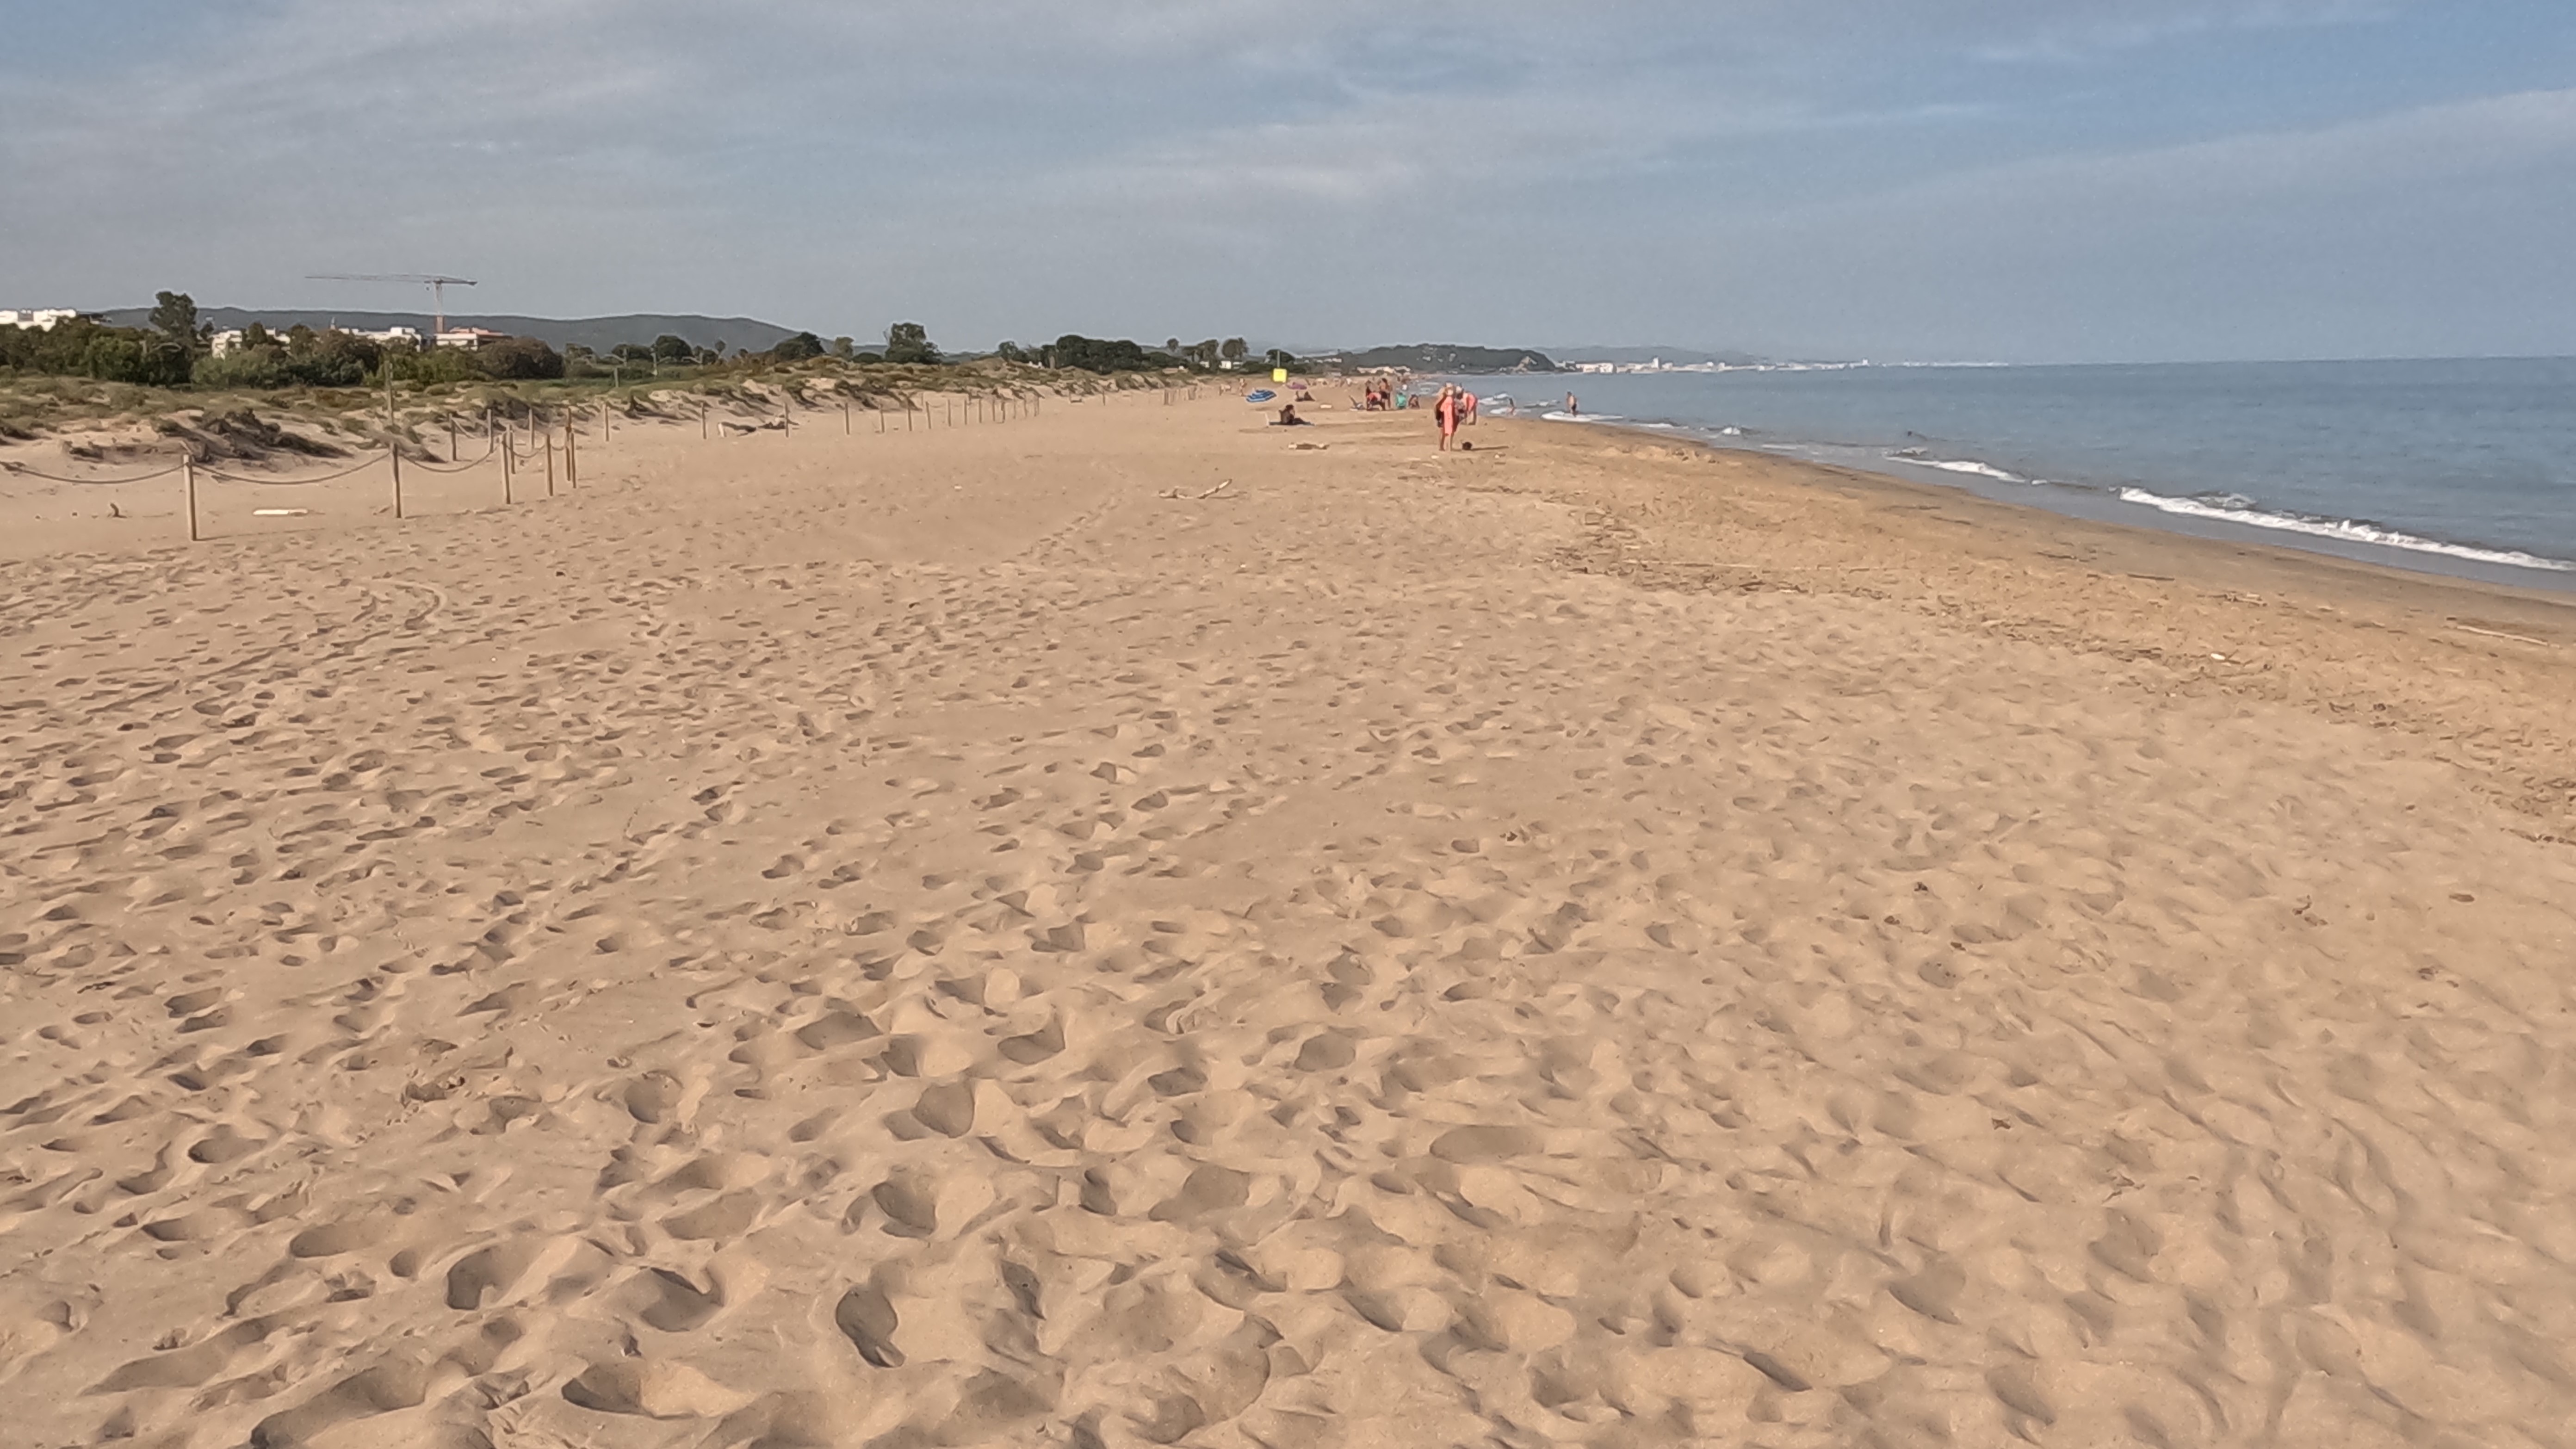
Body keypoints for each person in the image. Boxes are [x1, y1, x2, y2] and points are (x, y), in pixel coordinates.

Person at [1435, 384, 1462, 451]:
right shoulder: (1445, 397)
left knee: (1444, 432)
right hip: (1444, 415)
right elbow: (1436, 405)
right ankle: (1445, 447)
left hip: (1442, 414)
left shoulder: (1447, 397)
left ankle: (1442, 447)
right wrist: (1437, 415)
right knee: (1446, 431)